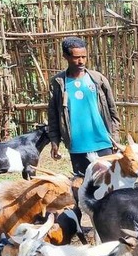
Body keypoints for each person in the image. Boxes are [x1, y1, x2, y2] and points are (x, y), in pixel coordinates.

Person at [47, 36, 121, 175]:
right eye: (76, 57)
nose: (81, 61)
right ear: (65, 56)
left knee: (108, 187)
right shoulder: (58, 83)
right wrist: (55, 142)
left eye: (84, 57)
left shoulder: (97, 79)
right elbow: (53, 117)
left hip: (103, 143)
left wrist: (115, 137)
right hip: (77, 146)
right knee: (84, 187)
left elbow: (112, 111)